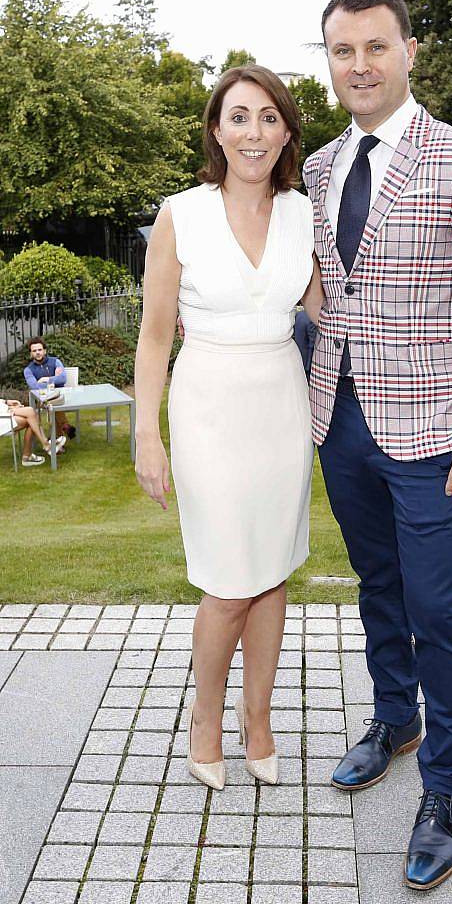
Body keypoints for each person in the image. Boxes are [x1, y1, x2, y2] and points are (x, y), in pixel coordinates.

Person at [304, 0, 452, 890]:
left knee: (441, 614)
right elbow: (327, 296)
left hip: (439, 431)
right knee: (377, 586)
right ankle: (394, 719)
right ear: (327, 61)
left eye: (374, 47)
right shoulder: (322, 169)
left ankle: (445, 787)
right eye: (341, 50)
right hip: (343, 423)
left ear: (409, 52)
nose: (358, 65)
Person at [134, 65, 323, 792]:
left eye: (269, 118)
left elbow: (322, 310)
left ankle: (260, 719)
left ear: (285, 133)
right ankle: (205, 719)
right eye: (240, 117)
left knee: (270, 572)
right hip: (207, 401)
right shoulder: (182, 213)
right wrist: (147, 437)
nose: (255, 132)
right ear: (217, 128)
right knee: (226, 581)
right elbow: (154, 338)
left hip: (280, 399)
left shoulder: (304, 213)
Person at [23, 338, 76, 442]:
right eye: (34, 351)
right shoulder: (28, 370)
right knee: (52, 404)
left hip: (61, 395)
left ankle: (57, 439)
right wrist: (54, 380)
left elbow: (63, 378)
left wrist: (45, 379)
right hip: (41, 399)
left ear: (44, 351)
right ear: (31, 353)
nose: (37, 352)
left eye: (39, 349)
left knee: (54, 404)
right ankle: (64, 426)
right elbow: (34, 387)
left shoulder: (56, 361)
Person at [0, 397, 65, 465]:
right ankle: (45, 445)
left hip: (4, 412)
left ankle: (41, 448)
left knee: (32, 418)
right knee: (31, 414)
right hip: (3, 418)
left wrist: (6, 402)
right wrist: (9, 409)